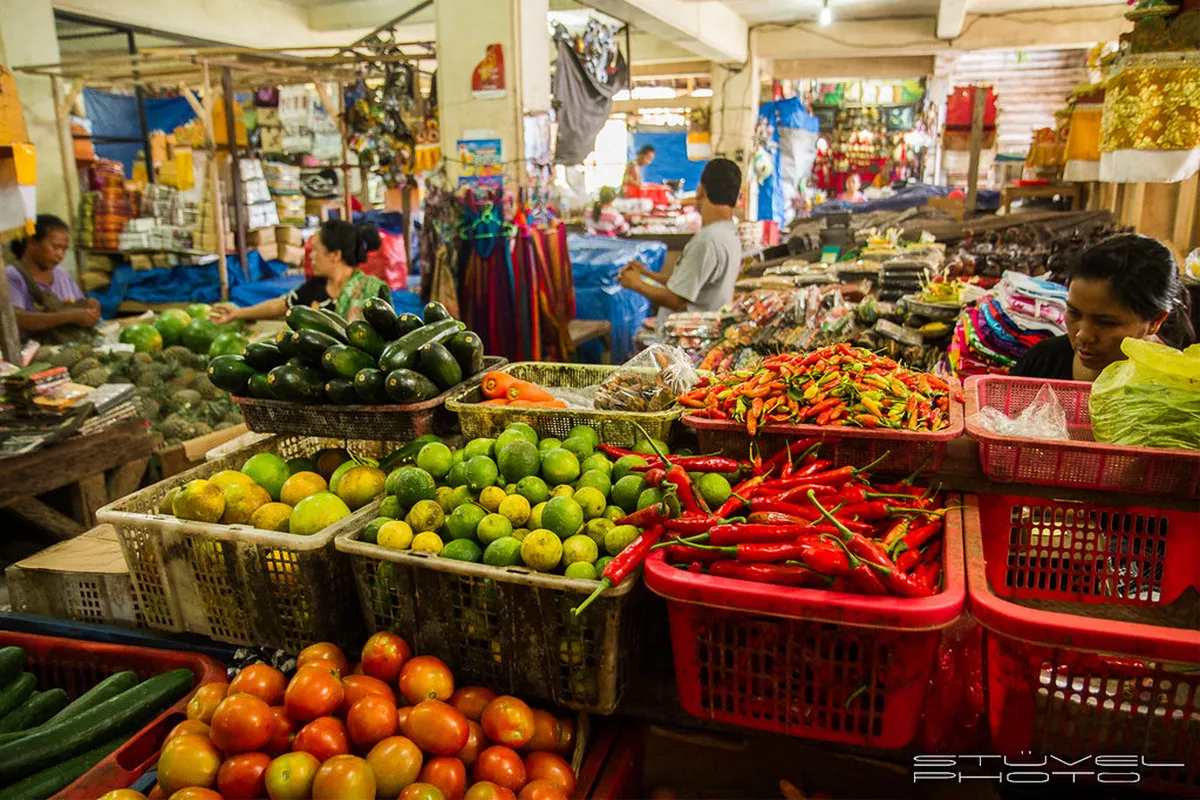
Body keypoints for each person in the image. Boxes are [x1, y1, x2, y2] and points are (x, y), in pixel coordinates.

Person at [1012, 234, 1194, 381]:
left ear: (1156, 321)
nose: (1082, 335)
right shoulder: (1041, 363)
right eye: (1074, 313)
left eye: (1106, 323)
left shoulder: (1179, 387)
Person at [619, 158, 743, 328]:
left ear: (701, 191)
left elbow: (676, 300)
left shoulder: (708, 240)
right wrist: (647, 274)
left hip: (687, 343)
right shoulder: (729, 233)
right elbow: (687, 284)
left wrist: (636, 284)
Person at [212, 219, 389, 324]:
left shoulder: (373, 291)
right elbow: (280, 306)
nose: (311, 256)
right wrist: (237, 313)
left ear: (335, 255)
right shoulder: (315, 287)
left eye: (316, 250)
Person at [6, 214, 99, 336]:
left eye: (64, 249)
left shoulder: (62, 274)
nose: (60, 255)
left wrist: (90, 307)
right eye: (56, 247)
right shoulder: (12, 276)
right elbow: (15, 319)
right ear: (32, 242)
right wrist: (67, 316)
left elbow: (78, 305)